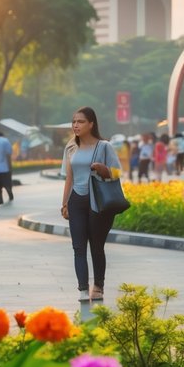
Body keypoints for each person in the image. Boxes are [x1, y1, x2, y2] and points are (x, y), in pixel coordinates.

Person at [60, 107, 121, 302]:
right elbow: (69, 177)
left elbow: (118, 173)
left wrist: (104, 170)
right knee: (78, 247)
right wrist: (64, 204)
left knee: (96, 246)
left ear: (91, 124)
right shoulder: (71, 147)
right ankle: (82, 290)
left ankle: (99, 287)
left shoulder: (104, 147)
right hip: (76, 200)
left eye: (81, 121)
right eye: (74, 121)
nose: (76, 125)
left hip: (98, 202)